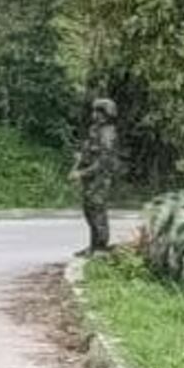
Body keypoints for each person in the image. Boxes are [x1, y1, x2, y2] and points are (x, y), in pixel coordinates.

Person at [71, 94, 119, 256]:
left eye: (99, 112)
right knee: (89, 209)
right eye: (95, 112)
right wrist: (80, 159)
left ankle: (101, 246)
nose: (95, 115)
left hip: (100, 177)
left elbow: (103, 161)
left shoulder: (108, 133)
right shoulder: (95, 130)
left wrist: (82, 173)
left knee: (97, 210)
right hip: (90, 177)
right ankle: (93, 245)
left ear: (106, 114)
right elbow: (88, 151)